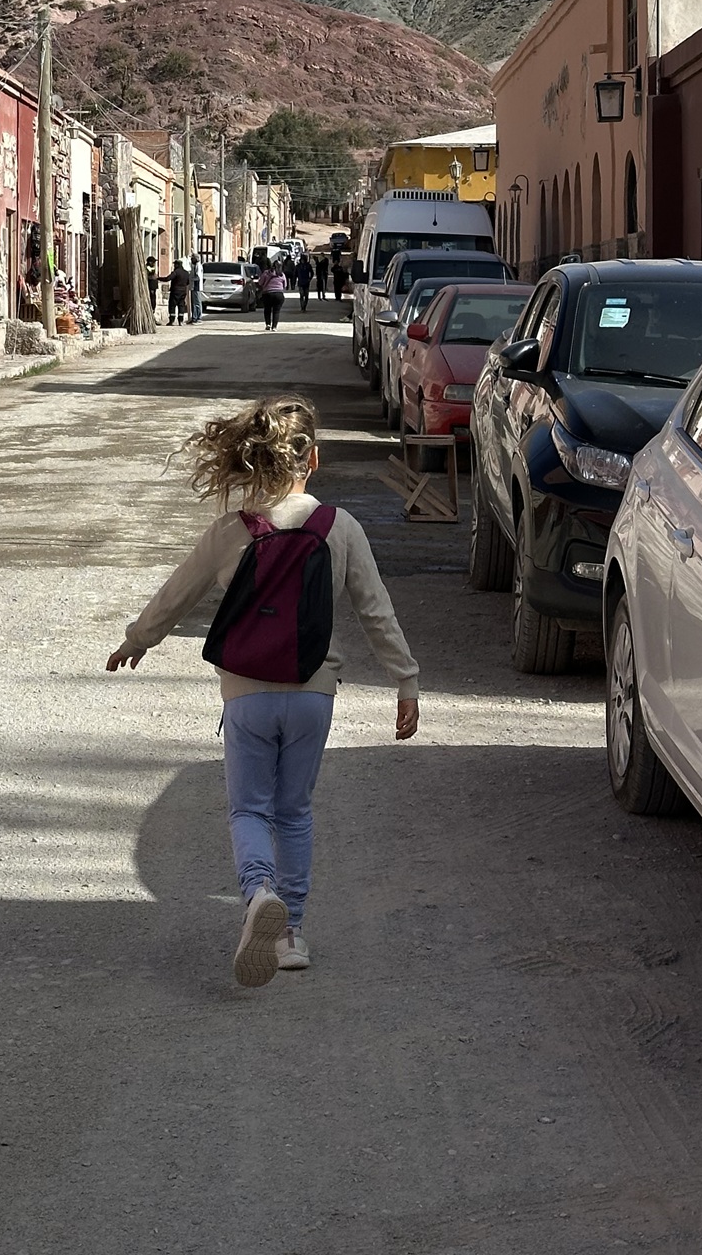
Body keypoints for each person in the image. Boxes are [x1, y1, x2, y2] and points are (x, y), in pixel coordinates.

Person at [106, 396, 419, 984]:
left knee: (248, 808)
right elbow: (375, 611)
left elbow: (180, 591)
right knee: (294, 813)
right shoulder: (339, 528)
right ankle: (291, 935)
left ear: (255, 462)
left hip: (245, 695)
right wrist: (406, 681)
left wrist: (137, 640)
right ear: (314, 460)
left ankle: (256, 897)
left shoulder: (233, 530)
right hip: (312, 695)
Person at [259, 259, 286, 331]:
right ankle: (274, 327)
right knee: (276, 311)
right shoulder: (282, 274)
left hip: (268, 294)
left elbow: (260, 283)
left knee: (267, 309)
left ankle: (268, 324)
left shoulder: (266, 273)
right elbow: (285, 285)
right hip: (279, 294)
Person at [166, 258, 191, 326]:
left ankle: (172, 320)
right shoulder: (186, 273)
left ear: (177, 265)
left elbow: (168, 278)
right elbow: (188, 282)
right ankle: (181, 321)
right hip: (183, 292)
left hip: (175, 291)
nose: (174, 266)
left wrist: (158, 278)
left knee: (172, 306)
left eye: (174, 265)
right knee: (181, 305)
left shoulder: (176, 272)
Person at [190, 250, 204, 324]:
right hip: (193, 286)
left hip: (196, 286)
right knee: (194, 303)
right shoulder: (194, 265)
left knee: (197, 302)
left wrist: (190, 279)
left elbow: (197, 277)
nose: (191, 260)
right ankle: (194, 317)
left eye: (192, 258)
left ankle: (198, 317)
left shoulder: (198, 266)